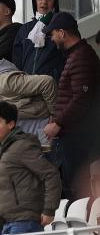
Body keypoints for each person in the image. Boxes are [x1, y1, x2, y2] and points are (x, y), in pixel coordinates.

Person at [0, 102, 61, 235]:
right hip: (6, 222)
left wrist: (49, 209)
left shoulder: (22, 146)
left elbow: (50, 174)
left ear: (11, 124)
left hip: (24, 219)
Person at [43, 11, 100, 196]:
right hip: (75, 134)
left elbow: (80, 98)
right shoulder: (76, 56)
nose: (52, 39)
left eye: (52, 34)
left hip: (79, 136)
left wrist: (58, 123)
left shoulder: (81, 57)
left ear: (62, 32)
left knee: (78, 189)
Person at [0, 48, 56, 145]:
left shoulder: (5, 81)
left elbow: (47, 82)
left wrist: (55, 120)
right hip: (26, 144)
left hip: (44, 136)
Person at [12, 0, 66, 79]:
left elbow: (68, 59)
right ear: (35, 1)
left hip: (52, 87)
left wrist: (55, 78)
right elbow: (16, 63)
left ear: (55, 2)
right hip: (26, 87)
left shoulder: (62, 27)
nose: (44, 2)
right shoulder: (25, 29)